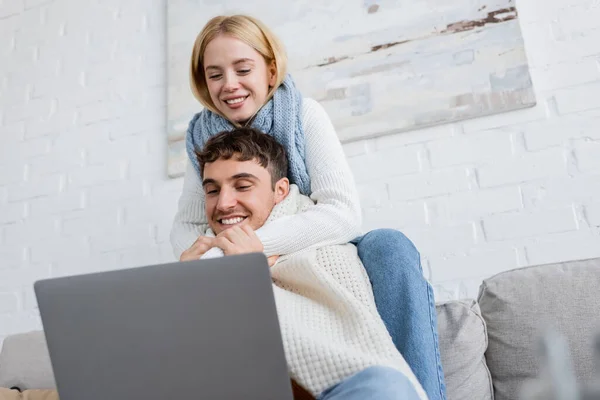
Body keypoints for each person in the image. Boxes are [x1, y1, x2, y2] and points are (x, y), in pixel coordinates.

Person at [170, 14, 446, 400]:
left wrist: (253, 247)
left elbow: (342, 213)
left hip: (313, 237)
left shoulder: (303, 114)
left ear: (269, 70)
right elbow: (186, 224)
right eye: (214, 75)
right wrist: (221, 258)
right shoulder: (200, 136)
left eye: (242, 69)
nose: (229, 84)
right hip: (248, 256)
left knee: (389, 245)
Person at [192, 127, 427, 400]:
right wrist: (189, 284)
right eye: (212, 190)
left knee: (384, 385)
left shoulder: (320, 242)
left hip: (352, 389)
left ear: (280, 190)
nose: (223, 203)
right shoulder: (198, 260)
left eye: (243, 186)